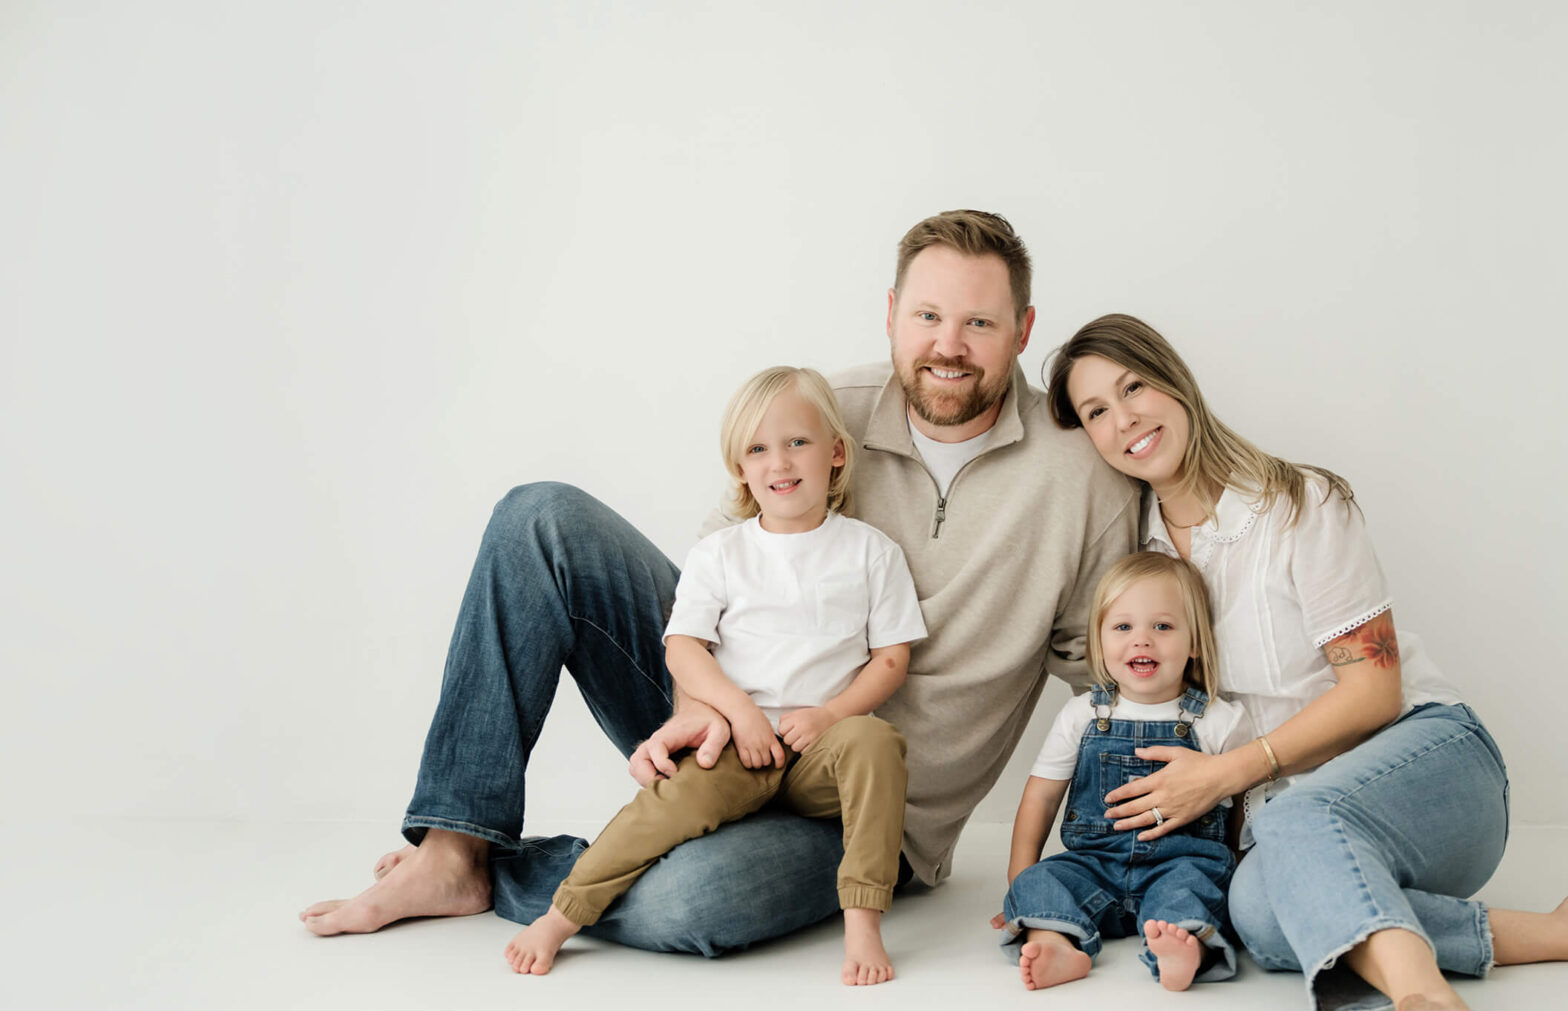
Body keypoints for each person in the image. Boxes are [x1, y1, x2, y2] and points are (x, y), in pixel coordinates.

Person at [299, 211, 1141, 955]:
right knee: (539, 519)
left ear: (1024, 329)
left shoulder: (1082, 477)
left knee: (688, 902)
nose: (947, 345)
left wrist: (1170, 819)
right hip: (727, 718)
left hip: (860, 804)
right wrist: (706, 703)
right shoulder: (825, 408)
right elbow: (712, 563)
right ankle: (452, 852)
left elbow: (1106, 671)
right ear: (891, 314)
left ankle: (531, 870)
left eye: (979, 322)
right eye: (926, 315)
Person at [1044, 313, 1568, 1011]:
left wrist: (1223, 776)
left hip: (1434, 768)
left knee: (1288, 824)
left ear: (1176, 382)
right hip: (1302, 816)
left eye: (1133, 386)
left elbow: (1374, 690)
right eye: (1097, 410)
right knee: (1258, 914)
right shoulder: (1136, 558)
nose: (1123, 417)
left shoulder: (1297, 503)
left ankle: (1427, 1003)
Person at [502, 367, 924, 983]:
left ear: (836, 453)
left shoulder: (870, 551)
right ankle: (563, 914)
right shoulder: (722, 553)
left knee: (877, 744)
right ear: (740, 470)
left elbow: (891, 659)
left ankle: (863, 920)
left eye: (797, 442)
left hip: (820, 750)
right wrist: (739, 712)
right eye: (758, 449)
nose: (779, 461)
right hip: (736, 742)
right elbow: (683, 649)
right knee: (667, 806)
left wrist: (832, 716)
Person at [994, 552, 1248, 992]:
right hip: (1095, 866)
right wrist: (1019, 884)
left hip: (1180, 862)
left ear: (1194, 643)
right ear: (1099, 640)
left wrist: (1239, 868)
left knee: (1196, 889)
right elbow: (1041, 796)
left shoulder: (1218, 720)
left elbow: (1243, 804)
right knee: (1042, 879)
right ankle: (1055, 941)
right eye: (1123, 627)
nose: (1142, 641)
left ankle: (1183, 948)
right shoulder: (1082, 715)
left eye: (1162, 626)